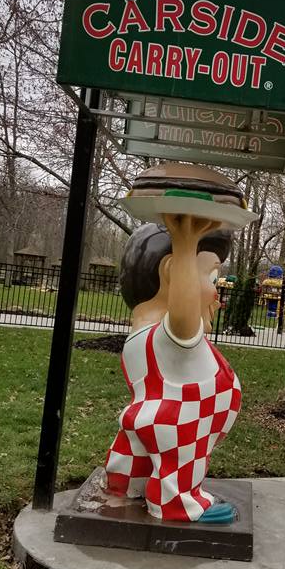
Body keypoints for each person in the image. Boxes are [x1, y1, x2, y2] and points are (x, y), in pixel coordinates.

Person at [103, 214, 241, 524]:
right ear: (173, 272)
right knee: (179, 464)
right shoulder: (174, 334)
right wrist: (186, 242)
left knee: (136, 457)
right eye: (211, 278)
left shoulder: (141, 335)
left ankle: (125, 486)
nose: (218, 296)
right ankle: (178, 503)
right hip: (180, 425)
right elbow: (182, 316)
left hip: (146, 418)